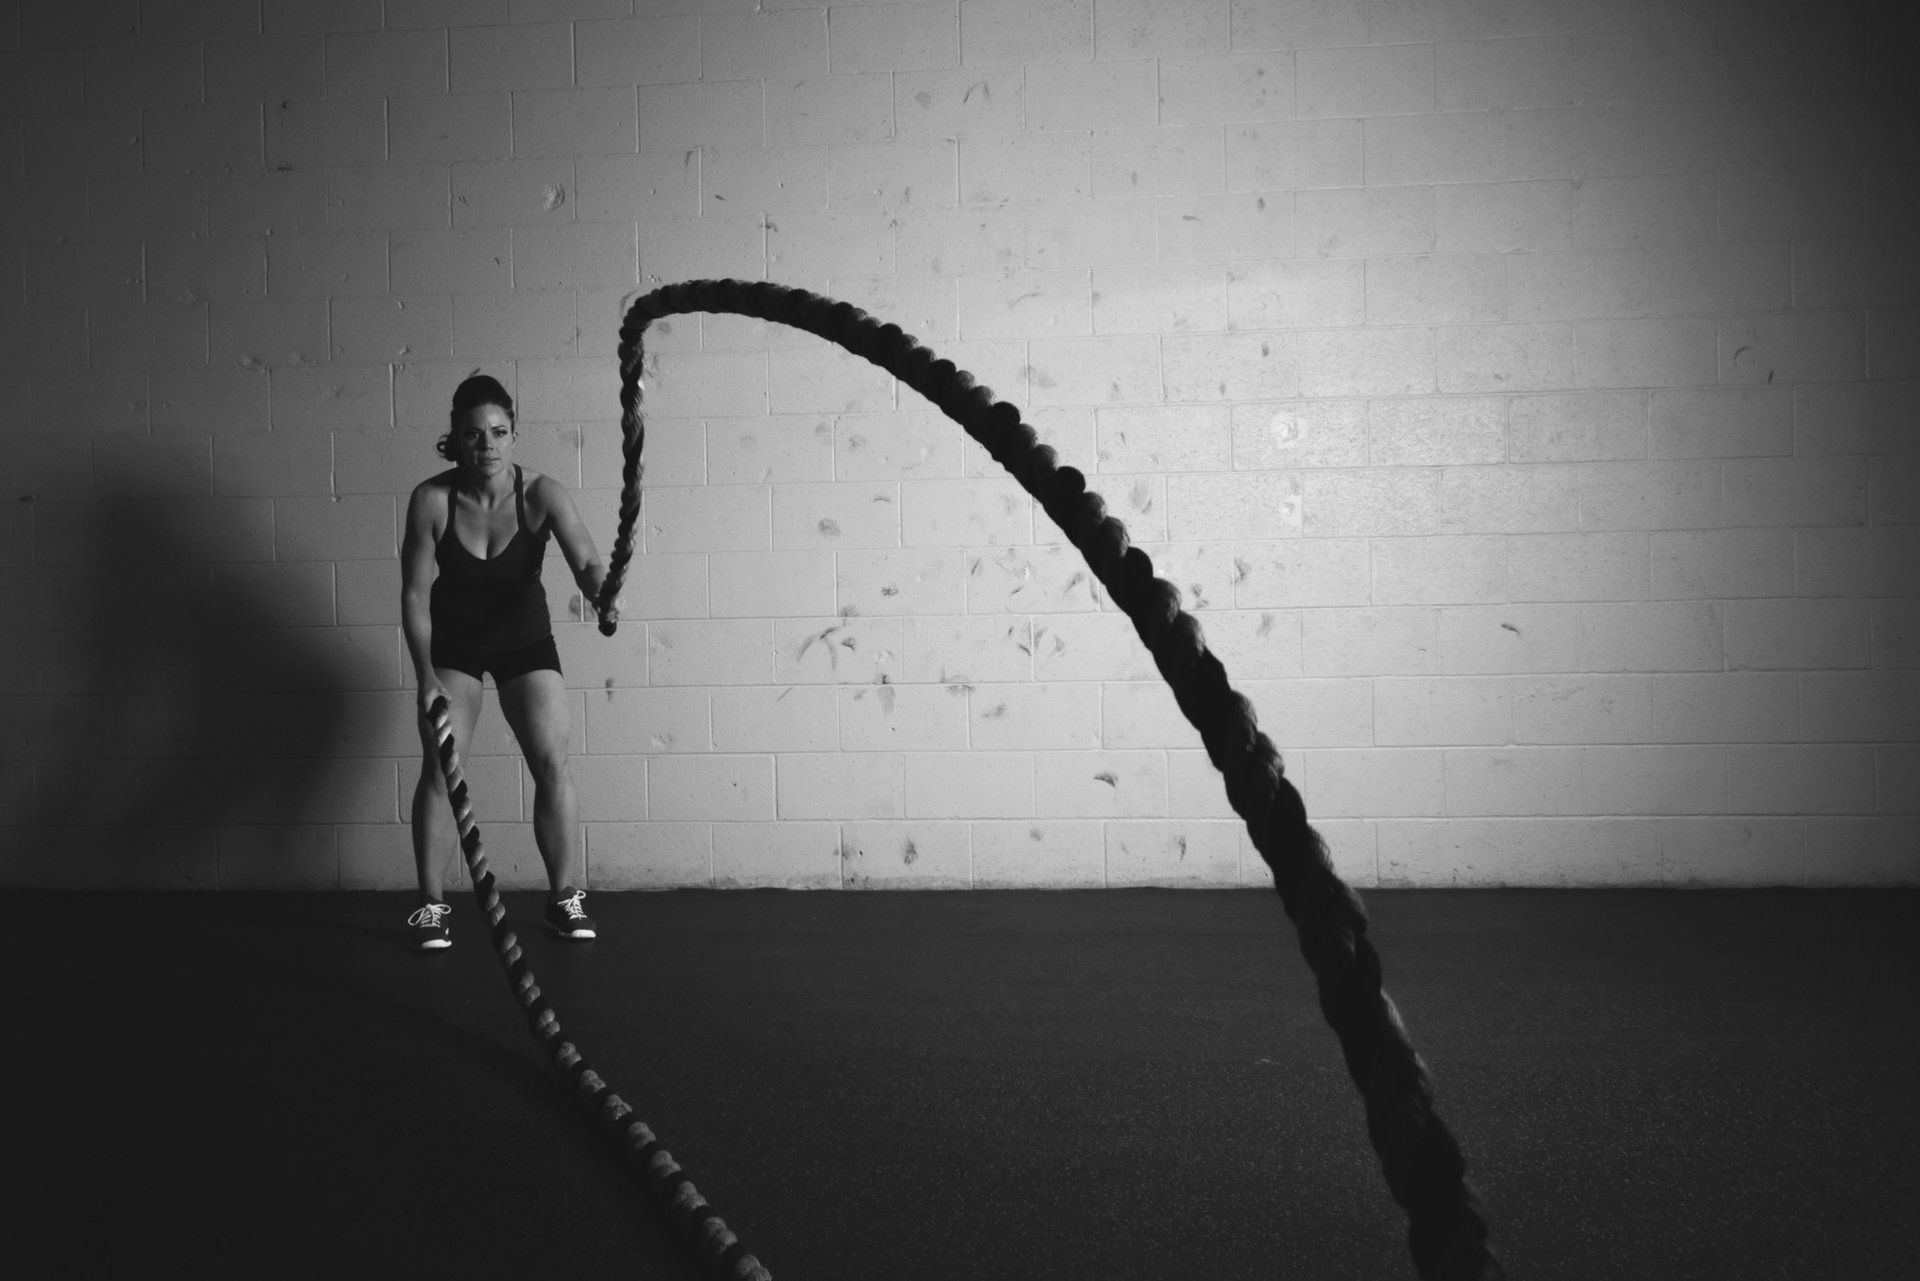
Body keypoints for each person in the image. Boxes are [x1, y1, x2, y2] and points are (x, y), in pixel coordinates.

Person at [401, 373, 616, 950]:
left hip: (525, 644)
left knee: (552, 761)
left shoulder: (542, 493)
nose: (487, 445)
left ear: (514, 434)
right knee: (440, 766)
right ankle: (431, 905)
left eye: (498, 432)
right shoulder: (431, 500)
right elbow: (415, 596)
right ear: (456, 438)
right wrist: (425, 676)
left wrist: (603, 590)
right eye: (474, 434)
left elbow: (587, 563)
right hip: (455, 648)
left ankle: (564, 896)